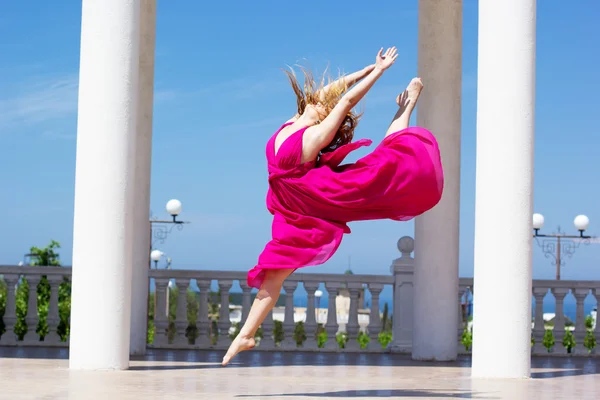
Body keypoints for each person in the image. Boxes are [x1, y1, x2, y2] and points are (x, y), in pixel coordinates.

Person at [222, 47, 443, 366]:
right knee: (273, 273)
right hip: (293, 206)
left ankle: (408, 105)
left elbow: (346, 101)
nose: (322, 98)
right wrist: (368, 69)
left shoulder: (314, 136)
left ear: (328, 116)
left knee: (389, 161)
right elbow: (336, 91)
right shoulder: (297, 118)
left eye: (327, 104)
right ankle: (245, 334)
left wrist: (380, 74)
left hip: (318, 196)